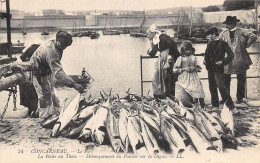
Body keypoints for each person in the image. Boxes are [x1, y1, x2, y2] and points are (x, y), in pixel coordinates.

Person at [29, 30, 84, 119]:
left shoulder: (55, 43)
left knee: (52, 93)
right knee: (43, 96)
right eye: (64, 45)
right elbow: (58, 73)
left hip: (47, 70)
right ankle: (43, 117)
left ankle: (52, 113)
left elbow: (55, 69)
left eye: (66, 46)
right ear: (58, 41)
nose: (64, 48)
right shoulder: (51, 51)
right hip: (38, 72)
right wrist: (74, 84)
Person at [219, 16, 257, 104]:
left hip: (240, 58)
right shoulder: (223, 33)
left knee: (241, 78)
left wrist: (246, 45)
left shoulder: (242, 31)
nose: (227, 26)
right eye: (227, 24)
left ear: (234, 23)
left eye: (229, 24)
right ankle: (226, 98)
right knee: (226, 79)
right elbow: (218, 42)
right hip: (228, 59)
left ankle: (240, 98)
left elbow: (253, 36)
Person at [204, 26, 238, 114]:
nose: (208, 37)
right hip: (210, 69)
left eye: (210, 35)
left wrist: (222, 62)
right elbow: (206, 54)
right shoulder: (209, 43)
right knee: (212, 88)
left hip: (218, 69)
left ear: (214, 34)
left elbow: (231, 55)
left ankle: (232, 107)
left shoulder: (223, 43)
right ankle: (215, 106)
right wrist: (205, 60)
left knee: (222, 88)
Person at [147, 24, 180, 99]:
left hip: (166, 58)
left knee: (160, 76)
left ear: (153, 33)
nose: (148, 36)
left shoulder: (157, 39)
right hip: (171, 57)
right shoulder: (161, 37)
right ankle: (169, 95)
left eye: (148, 34)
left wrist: (150, 45)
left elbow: (152, 54)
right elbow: (173, 45)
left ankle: (160, 95)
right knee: (169, 77)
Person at [173, 41, 205, 109]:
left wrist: (194, 68)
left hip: (193, 77)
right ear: (183, 51)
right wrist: (184, 69)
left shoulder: (194, 58)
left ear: (191, 49)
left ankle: (202, 106)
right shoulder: (180, 58)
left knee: (199, 89)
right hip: (184, 77)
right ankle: (189, 104)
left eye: (189, 50)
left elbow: (199, 69)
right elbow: (174, 70)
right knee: (188, 88)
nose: (188, 51)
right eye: (186, 50)